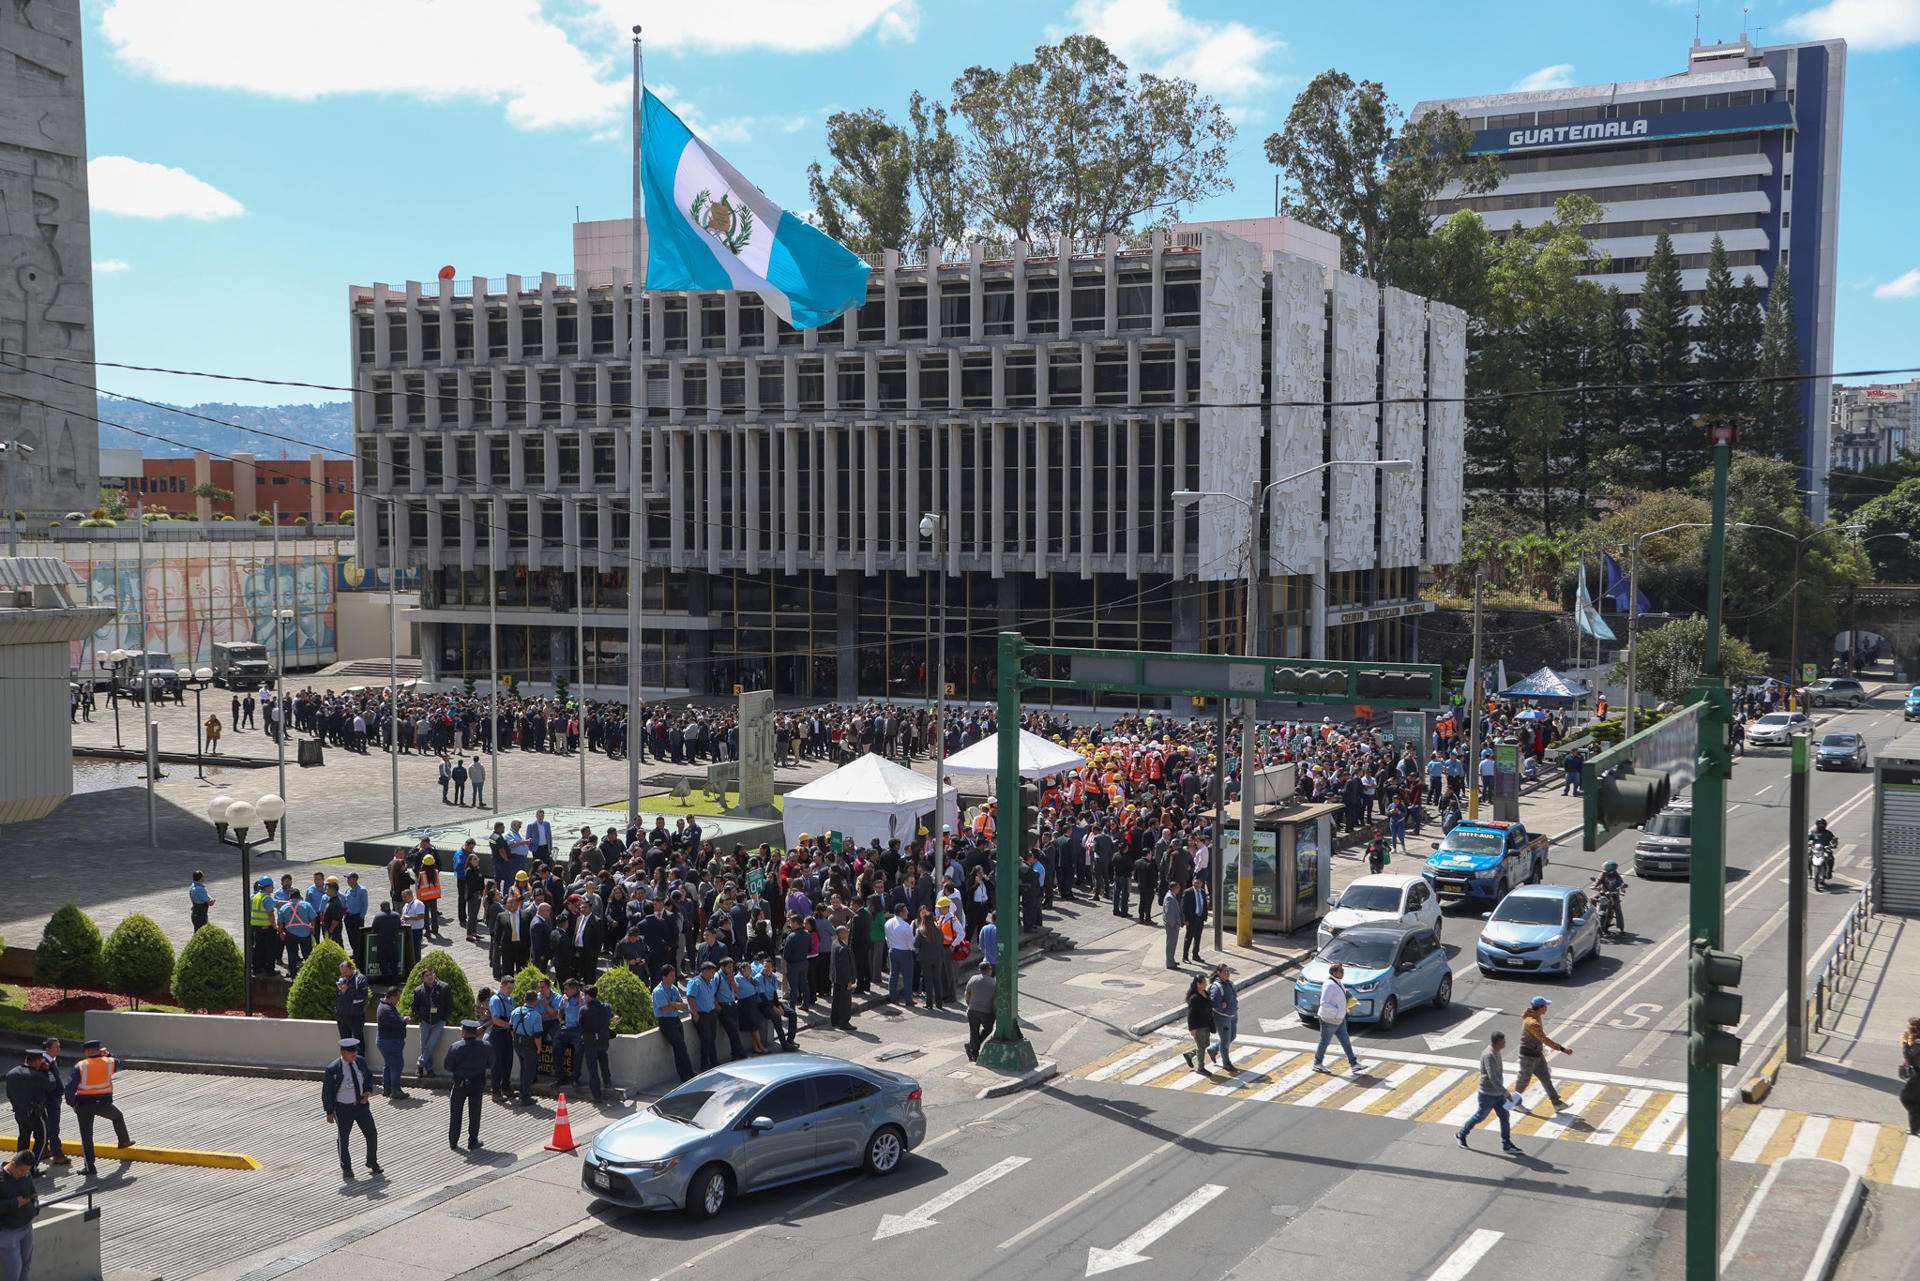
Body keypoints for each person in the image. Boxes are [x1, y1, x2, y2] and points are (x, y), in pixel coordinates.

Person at [63, 1041, 133, 1178]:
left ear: (87, 1052)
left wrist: (72, 1103)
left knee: (86, 1136)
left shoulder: (81, 1066)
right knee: (117, 1116)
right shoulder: (109, 1062)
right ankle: (124, 1141)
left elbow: (69, 1088)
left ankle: (90, 1167)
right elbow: (121, 1062)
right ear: (98, 1050)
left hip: (83, 1105)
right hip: (103, 1103)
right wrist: (108, 1054)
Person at [322, 1038, 383, 1181]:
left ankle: (372, 1161)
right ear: (343, 1052)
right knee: (343, 1139)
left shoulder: (360, 1062)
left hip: (361, 1106)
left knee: (372, 1133)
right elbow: (327, 1091)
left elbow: (368, 1078)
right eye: (351, 1052)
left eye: (355, 1051)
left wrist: (367, 1092)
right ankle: (347, 1168)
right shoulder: (333, 1069)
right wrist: (329, 1111)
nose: (354, 1054)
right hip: (343, 1109)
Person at [1456, 1031, 1522, 1155]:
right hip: (1487, 1094)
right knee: (1480, 1117)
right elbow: (1492, 1077)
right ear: (1497, 1042)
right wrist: (1506, 1092)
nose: (1505, 1043)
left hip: (1498, 1094)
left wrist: (1502, 1092)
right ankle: (1461, 1134)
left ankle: (1506, 1144)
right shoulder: (1489, 1055)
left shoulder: (1496, 1052)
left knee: (1504, 1117)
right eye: (1503, 1041)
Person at [1515, 995, 1570, 1112]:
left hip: (1537, 1054)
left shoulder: (1536, 1016)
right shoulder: (1532, 1023)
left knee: (1545, 1078)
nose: (1547, 1008)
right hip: (1528, 1056)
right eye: (1545, 1006)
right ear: (1540, 1007)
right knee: (1523, 1081)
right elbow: (1544, 1039)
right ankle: (1514, 1103)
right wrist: (1562, 1049)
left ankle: (1557, 1103)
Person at [443, 1020, 491, 1152]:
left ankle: (453, 1142)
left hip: (460, 1084)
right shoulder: (486, 1046)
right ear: (476, 1032)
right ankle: (473, 1141)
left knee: (455, 1114)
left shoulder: (456, 1047)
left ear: (464, 1031)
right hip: (477, 1083)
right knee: (475, 1113)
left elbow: (447, 1066)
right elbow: (491, 1063)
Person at [1311, 964, 1362, 1075]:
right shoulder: (1329, 985)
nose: (1343, 972)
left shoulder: (1337, 983)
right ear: (1335, 973)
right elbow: (1324, 1003)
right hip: (1330, 1019)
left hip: (1339, 1018)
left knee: (1345, 1041)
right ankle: (1317, 1063)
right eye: (1341, 971)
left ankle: (1354, 1064)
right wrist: (1338, 1011)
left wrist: (1347, 1005)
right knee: (1324, 1042)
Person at [5, 1054, 54, 1166]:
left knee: (23, 1138)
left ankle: (18, 1165)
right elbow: (52, 1086)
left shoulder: (11, 1073)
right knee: (42, 1139)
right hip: (36, 1114)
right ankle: (32, 1168)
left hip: (19, 1112)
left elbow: (9, 1094)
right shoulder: (38, 1076)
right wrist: (48, 1071)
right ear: (36, 1061)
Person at [651, 966, 695, 1083]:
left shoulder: (674, 988)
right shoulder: (658, 991)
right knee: (679, 1047)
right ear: (664, 977)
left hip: (675, 1019)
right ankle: (683, 1075)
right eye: (671, 975)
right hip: (666, 1022)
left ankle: (689, 1072)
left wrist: (672, 1004)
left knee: (682, 1047)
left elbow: (681, 1004)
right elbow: (665, 1008)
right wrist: (674, 1005)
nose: (674, 977)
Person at [0, 1150, 39, 1281]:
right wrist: (15, 1203)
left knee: (26, 1266)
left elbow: (33, 1193)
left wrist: (34, 1209)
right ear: (13, 1164)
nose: (23, 1174)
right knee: (13, 1269)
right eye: (21, 1171)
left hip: (26, 1226)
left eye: (26, 1171)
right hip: (7, 1231)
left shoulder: (26, 1175)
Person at [412, 966, 451, 1081]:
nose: (429, 977)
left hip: (439, 1021)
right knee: (425, 1045)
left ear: (434, 974)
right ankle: (429, 1070)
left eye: (431, 974)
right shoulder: (418, 990)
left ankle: (420, 1063)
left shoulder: (444, 987)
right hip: (425, 1022)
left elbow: (449, 1005)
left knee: (432, 1043)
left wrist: (444, 1018)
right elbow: (414, 1006)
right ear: (423, 978)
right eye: (426, 975)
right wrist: (421, 1016)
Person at [580, 985, 614, 1104]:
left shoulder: (584, 1010)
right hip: (603, 1040)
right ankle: (607, 1081)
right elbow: (610, 1017)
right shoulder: (606, 1007)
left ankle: (597, 1095)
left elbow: (581, 1025)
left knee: (593, 1069)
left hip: (590, 1042)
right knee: (604, 1059)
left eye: (585, 995)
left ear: (588, 996)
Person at [509, 991, 544, 1105]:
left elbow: (511, 1028)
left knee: (523, 1068)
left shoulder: (515, 1011)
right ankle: (525, 1097)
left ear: (525, 998)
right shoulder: (536, 1015)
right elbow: (537, 1035)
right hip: (529, 1046)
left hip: (517, 1044)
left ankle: (523, 1093)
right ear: (535, 1001)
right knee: (528, 1071)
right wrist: (539, 1048)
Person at [375, 988, 409, 1099]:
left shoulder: (385, 1007)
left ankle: (387, 1088)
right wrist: (404, 1020)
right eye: (397, 998)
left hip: (386, 1041)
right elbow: (396, 1023)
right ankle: (395, 1090)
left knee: (389, 1065)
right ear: (392, 997)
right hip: (390, 1042)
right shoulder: (386, 1009)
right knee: (396, 1065)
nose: (398, 1000)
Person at [486, 980, 516, 1104]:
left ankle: (506, 1088)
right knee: (497, 1063)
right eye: (509, 988)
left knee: (508, 1061)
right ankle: (496, 1092)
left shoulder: (510, 999)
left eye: (512, 988)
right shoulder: (495, 999)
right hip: (498, 1033)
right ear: (502, 986)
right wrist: (509, 1026)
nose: (510, 991)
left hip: (507, 1034)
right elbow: (496, 1020)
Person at [1180, 974, 1215, 1075]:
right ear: (1198, 984)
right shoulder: (1194, 998)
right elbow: (1190, 1014)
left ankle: (1189, 1055)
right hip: (1198, 1026)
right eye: (1203, 982)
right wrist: (1192, 1028)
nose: (1206, 984)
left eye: (1205, 982)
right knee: (1201, 1047)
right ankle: (1201, 1068)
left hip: (1206, 1024)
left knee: (1206, 1044)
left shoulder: (1205, 992)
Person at [1208, 964, 1239, 1073]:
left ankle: (1214, 1049)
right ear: (1219, 973)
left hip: (1232, 1015)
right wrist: (1222, 1006)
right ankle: (1226, 1063)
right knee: (1225, 1041)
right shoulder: (1217, 986)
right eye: (1225, 972)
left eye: (1228, 971)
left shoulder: (1230, 983)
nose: (1227, 973)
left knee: (1232, 1036)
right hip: (1222, 1018)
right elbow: (1213, 1003)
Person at [963, 961, 996, 1062]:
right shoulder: (993, 982)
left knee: (974, 1032)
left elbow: (967, 994)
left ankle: (974, 1053)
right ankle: (972, 1048)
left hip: (972, 1010)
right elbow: (995, 999)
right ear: (989, 970)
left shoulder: (973, 978)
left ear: (980, 970)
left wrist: (969, 1005)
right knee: (988, 1029)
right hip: (986, 1011)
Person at [830, 924, 857, 1031]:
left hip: (836, 978)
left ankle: (835, 1020)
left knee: (836, 999)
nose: (848, 933)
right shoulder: (843, 948)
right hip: (844, 979)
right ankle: (844, 1022)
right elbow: (845, 967)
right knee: (845, 1001)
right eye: (846, 932)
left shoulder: (835, 944)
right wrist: (849, 981)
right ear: (840, 934)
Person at [1591, 861, 1628, 934]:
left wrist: (1622, 888)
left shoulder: (1616, 875)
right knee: (1592, 899)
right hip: (1604, 894)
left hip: (1614, 895)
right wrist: (1594, 886)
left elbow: (1621, 883)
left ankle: (1621, 928)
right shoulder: (1603, 874)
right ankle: (1592, 914)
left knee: (1618, 910)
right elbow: (1598, 880)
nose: (1605, 870)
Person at [1900, 1017, 1920, 1137]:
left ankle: (1915, 1127)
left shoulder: (1918, 1044)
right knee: (1916, 1099)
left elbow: (1909, 1056)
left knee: (1906, 1098)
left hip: (1918, 1075)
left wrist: (1904, 1043)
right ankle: (1915, 1127)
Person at [1180, 878, 1208, 965]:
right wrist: (1185, 920)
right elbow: (1184, 907)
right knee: (1189, 938)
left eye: (1198, 883)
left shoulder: (1203, 892)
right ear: (1192, 883)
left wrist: (1205, 916)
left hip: (1200, 919)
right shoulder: (1188, 892)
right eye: (1195, 883)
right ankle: (1185, 956)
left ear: (1201, 884)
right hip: (1191, 919)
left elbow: (1205, 904)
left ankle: (1195, 955)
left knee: (1198, 937)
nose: (1196, 885)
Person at [1161, 880, 1184, 970]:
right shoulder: (1170, 898)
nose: (1179, 889)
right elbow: (1169, 913)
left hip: (1173, 925)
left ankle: (1171, 960)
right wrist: (1174, 924)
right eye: (1178, 888)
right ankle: (1170, 963)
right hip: (1172, 926)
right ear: (1174, 888)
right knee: (1171, 944)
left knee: (1173, 944)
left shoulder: (1171, 896)